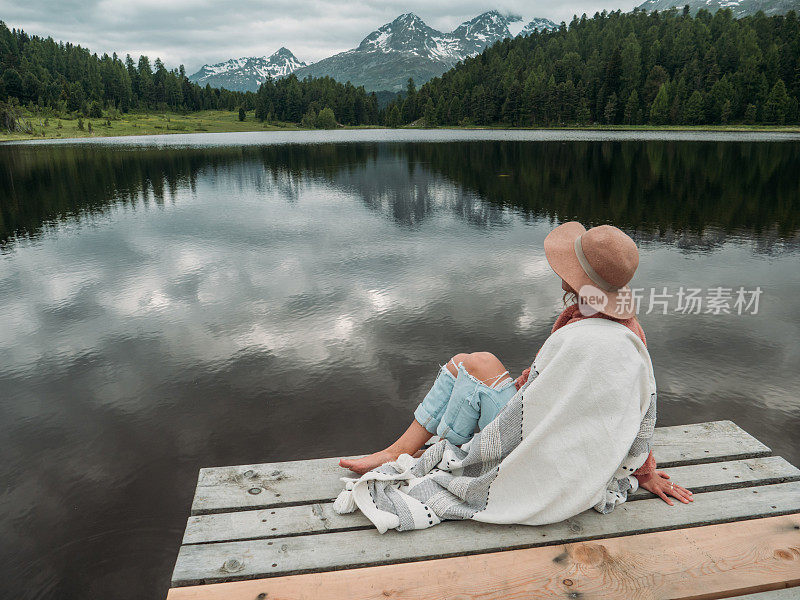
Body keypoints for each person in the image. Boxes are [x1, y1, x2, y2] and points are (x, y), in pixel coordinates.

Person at [339, 222, 692, 510]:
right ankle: (400, 449)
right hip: (555, 425)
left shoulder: (579, 329)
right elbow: (639, 403)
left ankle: (436, 458)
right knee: (464, 363)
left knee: (478, 363)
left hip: (539, 435)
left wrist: (645, 473)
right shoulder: (627, 330)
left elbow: (618, 402)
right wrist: (644, 471)